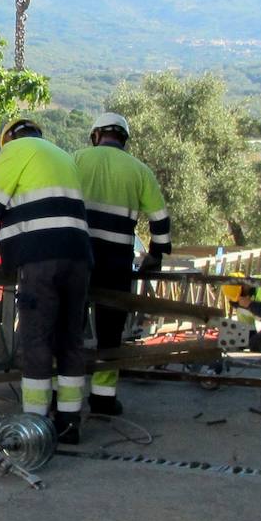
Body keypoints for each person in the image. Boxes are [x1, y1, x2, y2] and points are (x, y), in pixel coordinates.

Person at [0, 118, 92, 444]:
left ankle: (34, 424)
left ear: (9, 138)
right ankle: (69, 423)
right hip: (79, 257)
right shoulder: (62, 155)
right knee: (70, 339)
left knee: (36, 339)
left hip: (41, 260)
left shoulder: (14, 151)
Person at [72, 112, 171, 417]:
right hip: (116, 262)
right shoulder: (139, 171)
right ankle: (103, 399)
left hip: (77, 256)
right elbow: (160, 220)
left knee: (69, 328)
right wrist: (155, 255)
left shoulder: (76, 159)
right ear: (124, 140)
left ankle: (65, 398)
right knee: (110, 333)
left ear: (95, 135)